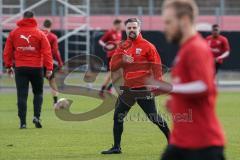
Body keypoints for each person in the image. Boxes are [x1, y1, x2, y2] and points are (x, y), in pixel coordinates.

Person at [159, 0, 225, 159]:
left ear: (184, 20)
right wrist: (175, 101)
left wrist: (170, 88)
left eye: (168, 22)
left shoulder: (196, 48)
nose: (165, 27)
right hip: (181, 142)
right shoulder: (186, 49)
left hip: (202, 145)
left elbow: (204, 86)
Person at [101, 18, 170, 154]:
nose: (131, 30)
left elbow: (157, 66)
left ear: (139, 29)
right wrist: (122, 60)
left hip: (143, 89)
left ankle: (174, 143)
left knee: (154, 117)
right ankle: (116, 147)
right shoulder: (122, 46)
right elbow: (112, 67)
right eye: (129, 28)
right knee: (118, 116)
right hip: (128, 89)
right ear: (125, 29)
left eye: (134, 27)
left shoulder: (148, 46)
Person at [3, 11, 53, 129]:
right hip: (36, 68)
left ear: (23, 18)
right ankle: (36, 116)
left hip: (20, 68)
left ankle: (23, 123)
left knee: (21, 95)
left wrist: (8, 66)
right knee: (38, 93)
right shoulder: (39, 33)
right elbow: (47, 52)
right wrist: (49, 68)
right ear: (33, 18)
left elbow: (7, 51)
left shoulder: (14, 33)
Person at [98, 19, 122, 96]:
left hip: (118, 55)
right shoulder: (110, 32)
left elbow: (118, 43)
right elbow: (100, 41)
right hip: (111, 56)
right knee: (111, 74)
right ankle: (104, 89)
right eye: (120, 25)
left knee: (119, 74)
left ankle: (106, 88)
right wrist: (106, 46)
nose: (121, 26)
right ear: (116, 24)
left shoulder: (119, 32)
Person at [42, 19, 63, 105]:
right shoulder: (53, 37)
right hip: (47, 63)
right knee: (52, 81)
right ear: (51, 26)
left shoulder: (37, 34)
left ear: (43, 25)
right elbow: (55, 51)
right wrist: (60, 62)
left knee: (36, 82)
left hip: (37, 62)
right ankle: (55, 102)